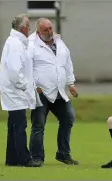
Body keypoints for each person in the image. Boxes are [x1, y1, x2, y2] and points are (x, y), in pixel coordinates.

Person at [28, 18, 79, 166]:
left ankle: (63, 154)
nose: (50, 32)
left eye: (50, 28)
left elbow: (67, 64)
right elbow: (26, 68)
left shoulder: (60, 43)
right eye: (46, 30)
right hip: (41, 91)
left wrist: (71, 83)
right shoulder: (31, 45)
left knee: (68, 118)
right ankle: (37, 157)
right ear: (38, 32)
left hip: (59, 92)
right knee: (38, 125)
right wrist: (33, 86)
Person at [0, 14, 42, 167]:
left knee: (13, 126)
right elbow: (14, 70)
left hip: (13, 91)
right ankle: (24, 158)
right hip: (16, 91)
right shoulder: (16, 44)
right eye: (28, 26)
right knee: (19, 125)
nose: (29, 29)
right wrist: (25, 86)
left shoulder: (15, 42)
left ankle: (12, 159)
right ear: (23, 28)